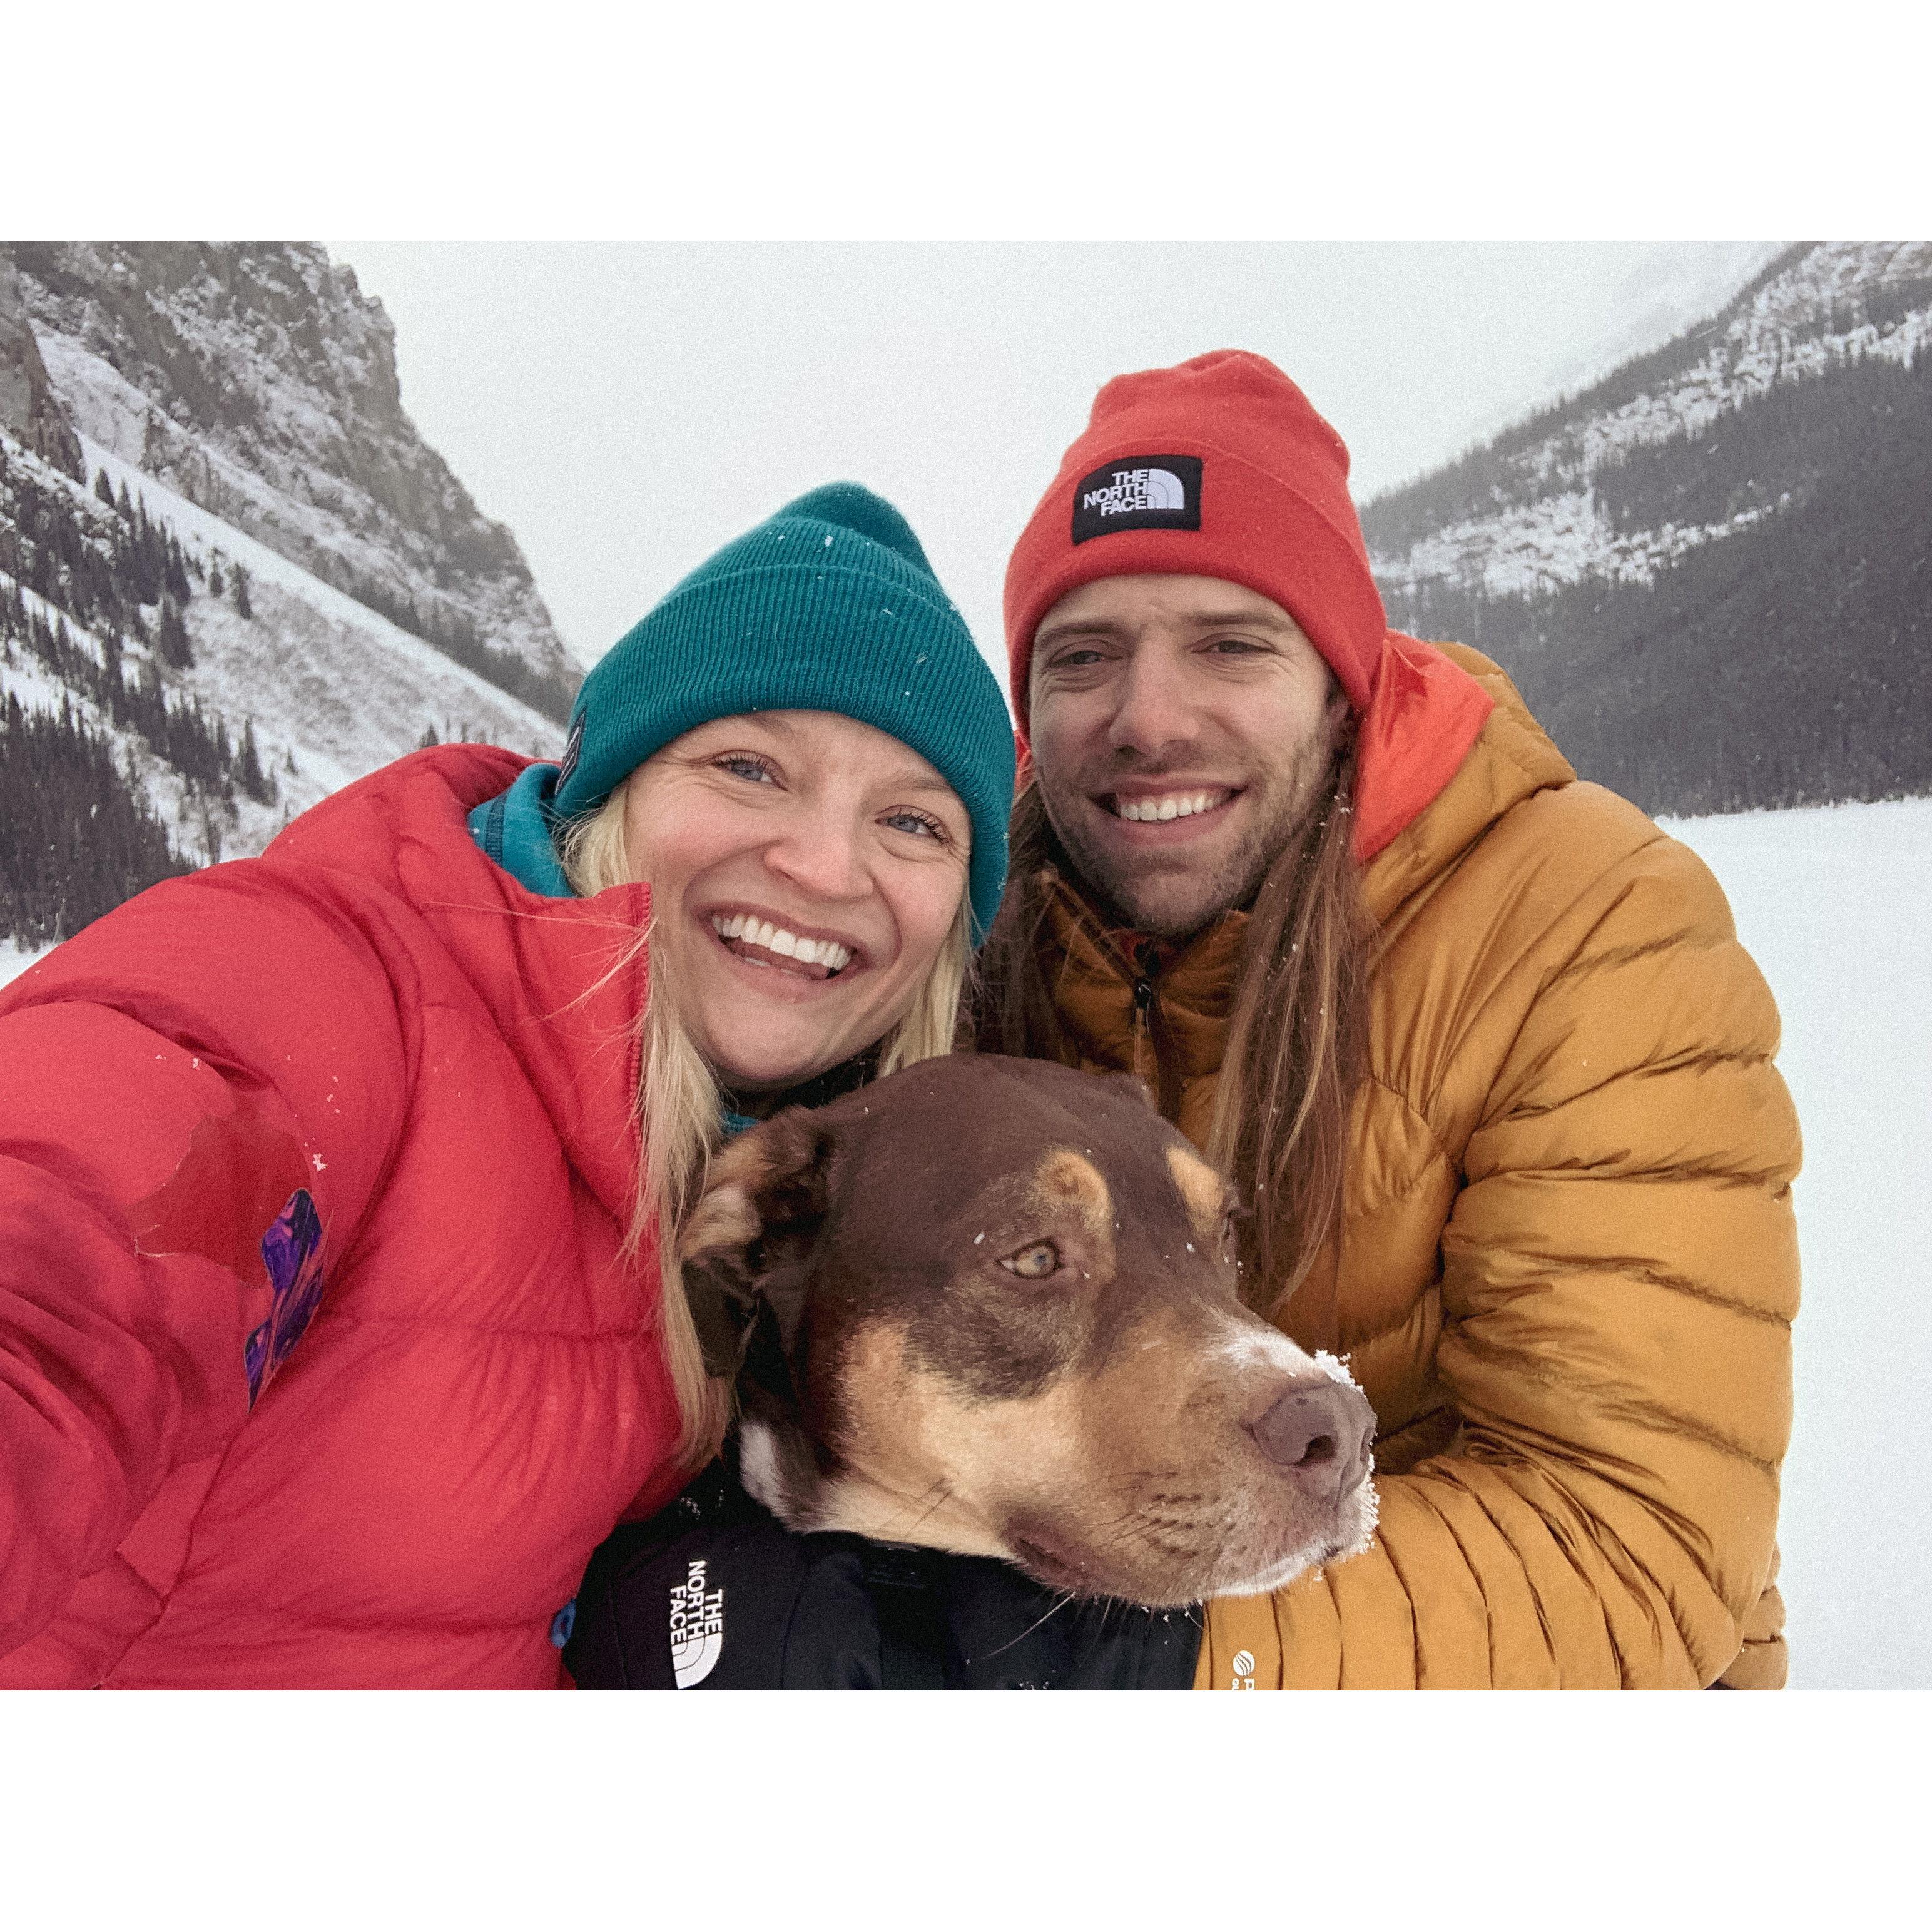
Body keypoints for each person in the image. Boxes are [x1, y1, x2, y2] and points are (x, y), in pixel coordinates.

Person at [0, 481, 1014, 1689]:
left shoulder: (821, 1192)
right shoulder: (336, 985)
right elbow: (73, 1273)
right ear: (610, 793)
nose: (824, 862)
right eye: (748, 767)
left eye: (912, 823)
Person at [975, 350, 1801, 1689]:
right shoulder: (979, 934)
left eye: (1228, 642)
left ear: (1340, 681)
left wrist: (1142, 1656)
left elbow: (1630, 1539)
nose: (1146, 718)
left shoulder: (1583, 923)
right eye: (1082, 657)